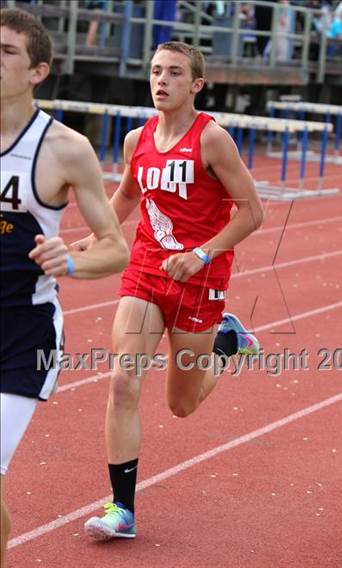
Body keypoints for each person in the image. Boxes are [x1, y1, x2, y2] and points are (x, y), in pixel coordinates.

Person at [81, 41, 264, 540]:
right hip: (145, 270)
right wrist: (96, 236)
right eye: (156, 71)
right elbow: (126, 195)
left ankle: (226, 342)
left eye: (175, 73)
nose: (162, 80)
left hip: (199, 280)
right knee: (122, 380)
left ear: (196, 85)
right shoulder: (136, 139)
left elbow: (253, 212)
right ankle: (122, 510)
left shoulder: (213, 141)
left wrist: (202, 253)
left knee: (181, 405)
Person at [0, 8, 129, 566]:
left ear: (38, 71)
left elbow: (115, 247)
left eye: (6, 51)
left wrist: (69, 264)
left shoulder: (64, 149)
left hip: (21, 334)